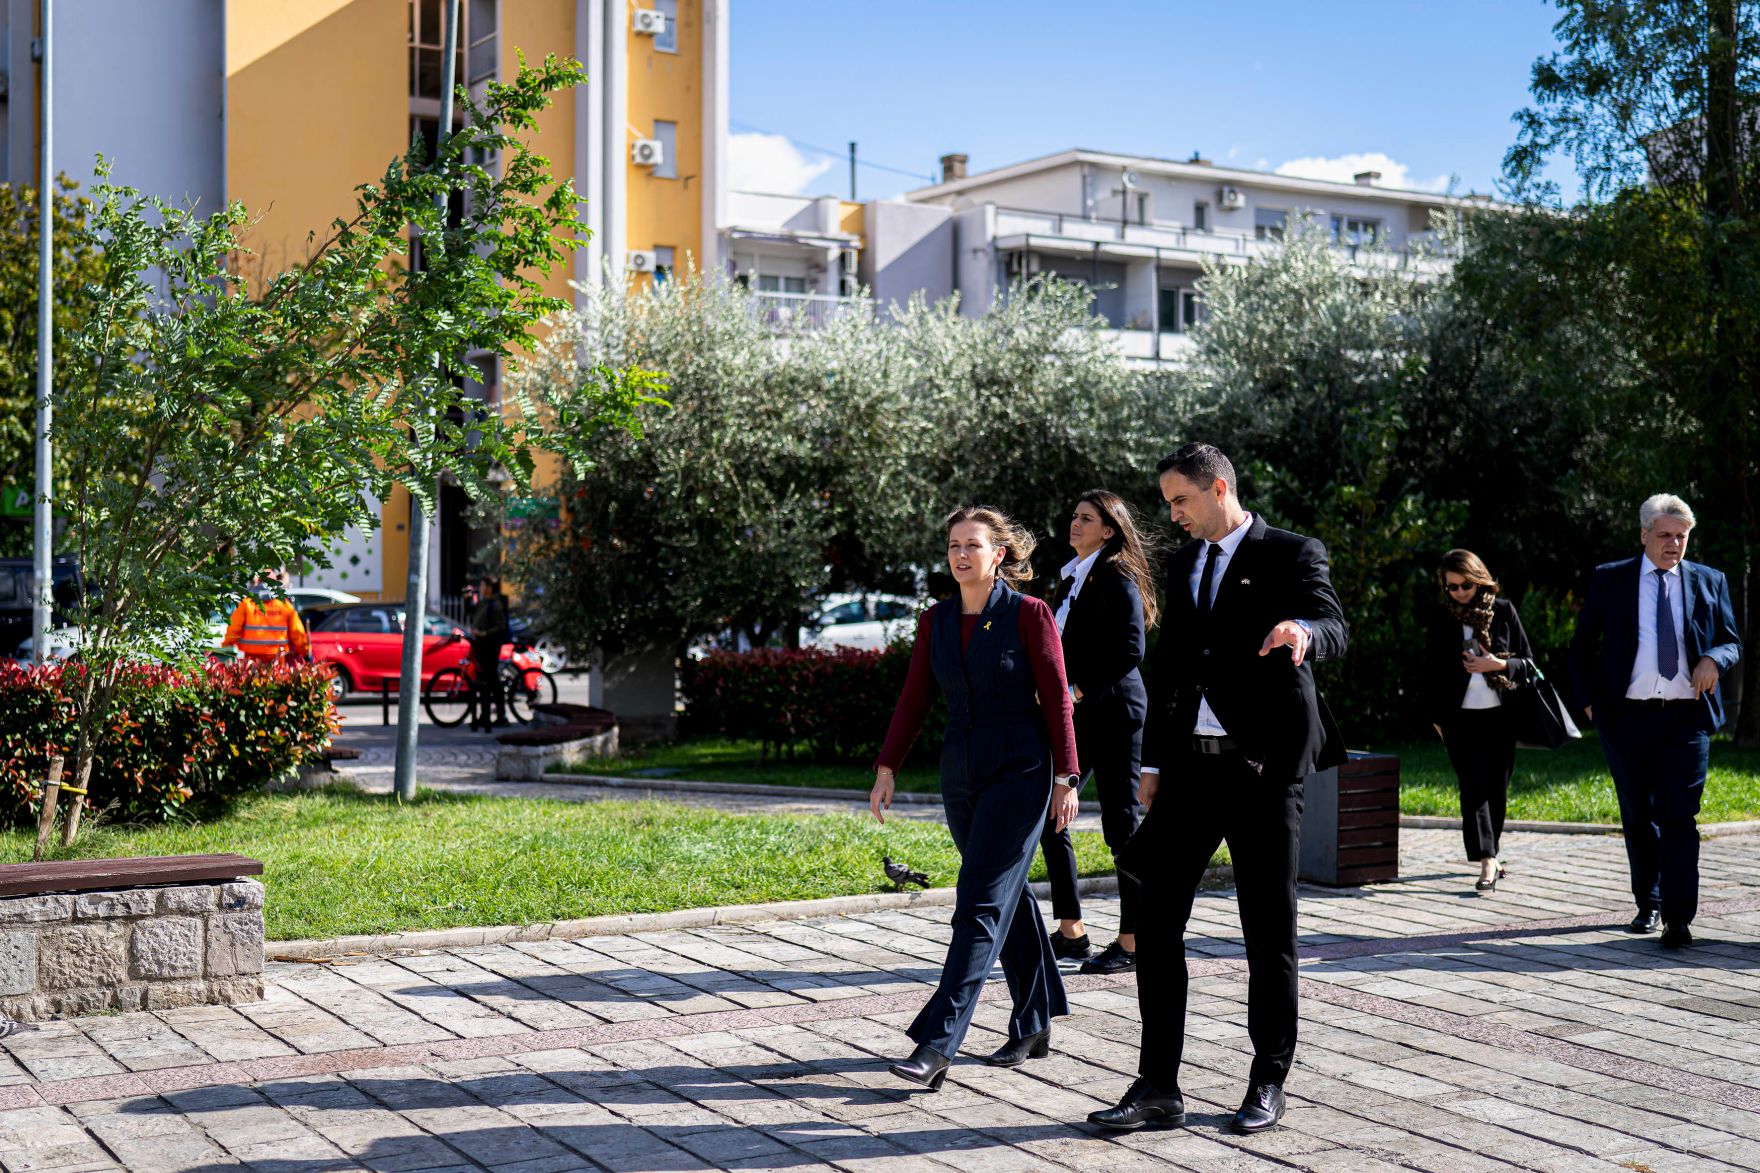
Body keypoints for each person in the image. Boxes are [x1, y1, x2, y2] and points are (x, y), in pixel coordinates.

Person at [1090, 443, 1347, 1136]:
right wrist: (1151, 761)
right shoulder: (1187, 561)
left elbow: (1335, 624)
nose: (1171, 515)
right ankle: (1157, 1085)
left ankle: (1268, 1078)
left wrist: (1303, 631)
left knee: (1268, 931)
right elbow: (1171, 664)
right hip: (1191, 769)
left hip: (1262, 769)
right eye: (1169, 502)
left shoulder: (1291, 552)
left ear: (1219, 487)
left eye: (1180, 500)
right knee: (1154, 919)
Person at [869, 505, 1082, 1091]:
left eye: (974, 545)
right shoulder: (935, 620)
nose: (961, 554)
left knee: (979, 902)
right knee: (1002, 896)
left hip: (1021, 770)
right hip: (960, 773)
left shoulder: (1029, 615)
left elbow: (1058, 700)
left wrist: (1068, 777)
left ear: (1000, 555)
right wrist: (888, 764)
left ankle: (936, 1044)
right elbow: (915, 695)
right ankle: (1035, 1020)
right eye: (953, 545)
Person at [1569, 494, 1740, 949]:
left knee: (1680, 817)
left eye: (1681, 536)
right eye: (1665, 535)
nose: (1674, 544)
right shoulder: (1612, 580)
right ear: (1644, 534)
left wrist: (1712, 660)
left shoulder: (1710, 580)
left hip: (1686, 718)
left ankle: (1679, 919)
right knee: (1639, 816)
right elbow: (1583, 646)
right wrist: (1590, 704)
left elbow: (1730, 639)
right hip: (1625, 717)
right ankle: (1649, 901)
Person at [1037, 489, 1158, 976]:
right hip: (1077, 715)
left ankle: (1132, 940)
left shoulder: (1116, 574)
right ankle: (1072, 932)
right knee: (1052, 812)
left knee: (1121, 826)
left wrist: (1078, 690)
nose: (1075, 524)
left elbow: (1132, 649)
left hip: (1114, 713)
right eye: (1074, 516)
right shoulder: (1072, 578)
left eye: (1086, 518)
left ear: (1109, 530)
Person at [1424, 550, 1538, 894]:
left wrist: (1497, 666)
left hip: (1501, 716)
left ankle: (1493, 852)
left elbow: (1528, 663)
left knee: (1497, 789)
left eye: (1464, 586)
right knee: (1472, 787)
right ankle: (1487, 859)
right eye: (1451, 587)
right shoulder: (1443, 617)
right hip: (1458, 719)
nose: (1458, 593)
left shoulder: (1503, 611)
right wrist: (1436, 719)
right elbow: (1429, 671)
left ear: (1478, 580)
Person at [221, 571, 310, 665]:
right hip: (277, 657)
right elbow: (297, 633)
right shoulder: (284, 605)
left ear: (258, 581)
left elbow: (233, 629)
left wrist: (226, 646)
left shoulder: (247, 604)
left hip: (251, 659)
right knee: (274, 679)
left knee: (251, 679)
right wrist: (305, 652)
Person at [467, 575, 512, 732]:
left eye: (482, 585)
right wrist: (467, 598)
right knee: (481, 681)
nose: (480, 588)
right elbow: (472, 614)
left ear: (489, 588)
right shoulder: (483, 603)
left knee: (492, 681)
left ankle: (501, 716)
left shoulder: (496, 604)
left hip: (490, 647)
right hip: (481, 646)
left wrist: (484, 633)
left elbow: (501, 627)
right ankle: (484, 715)